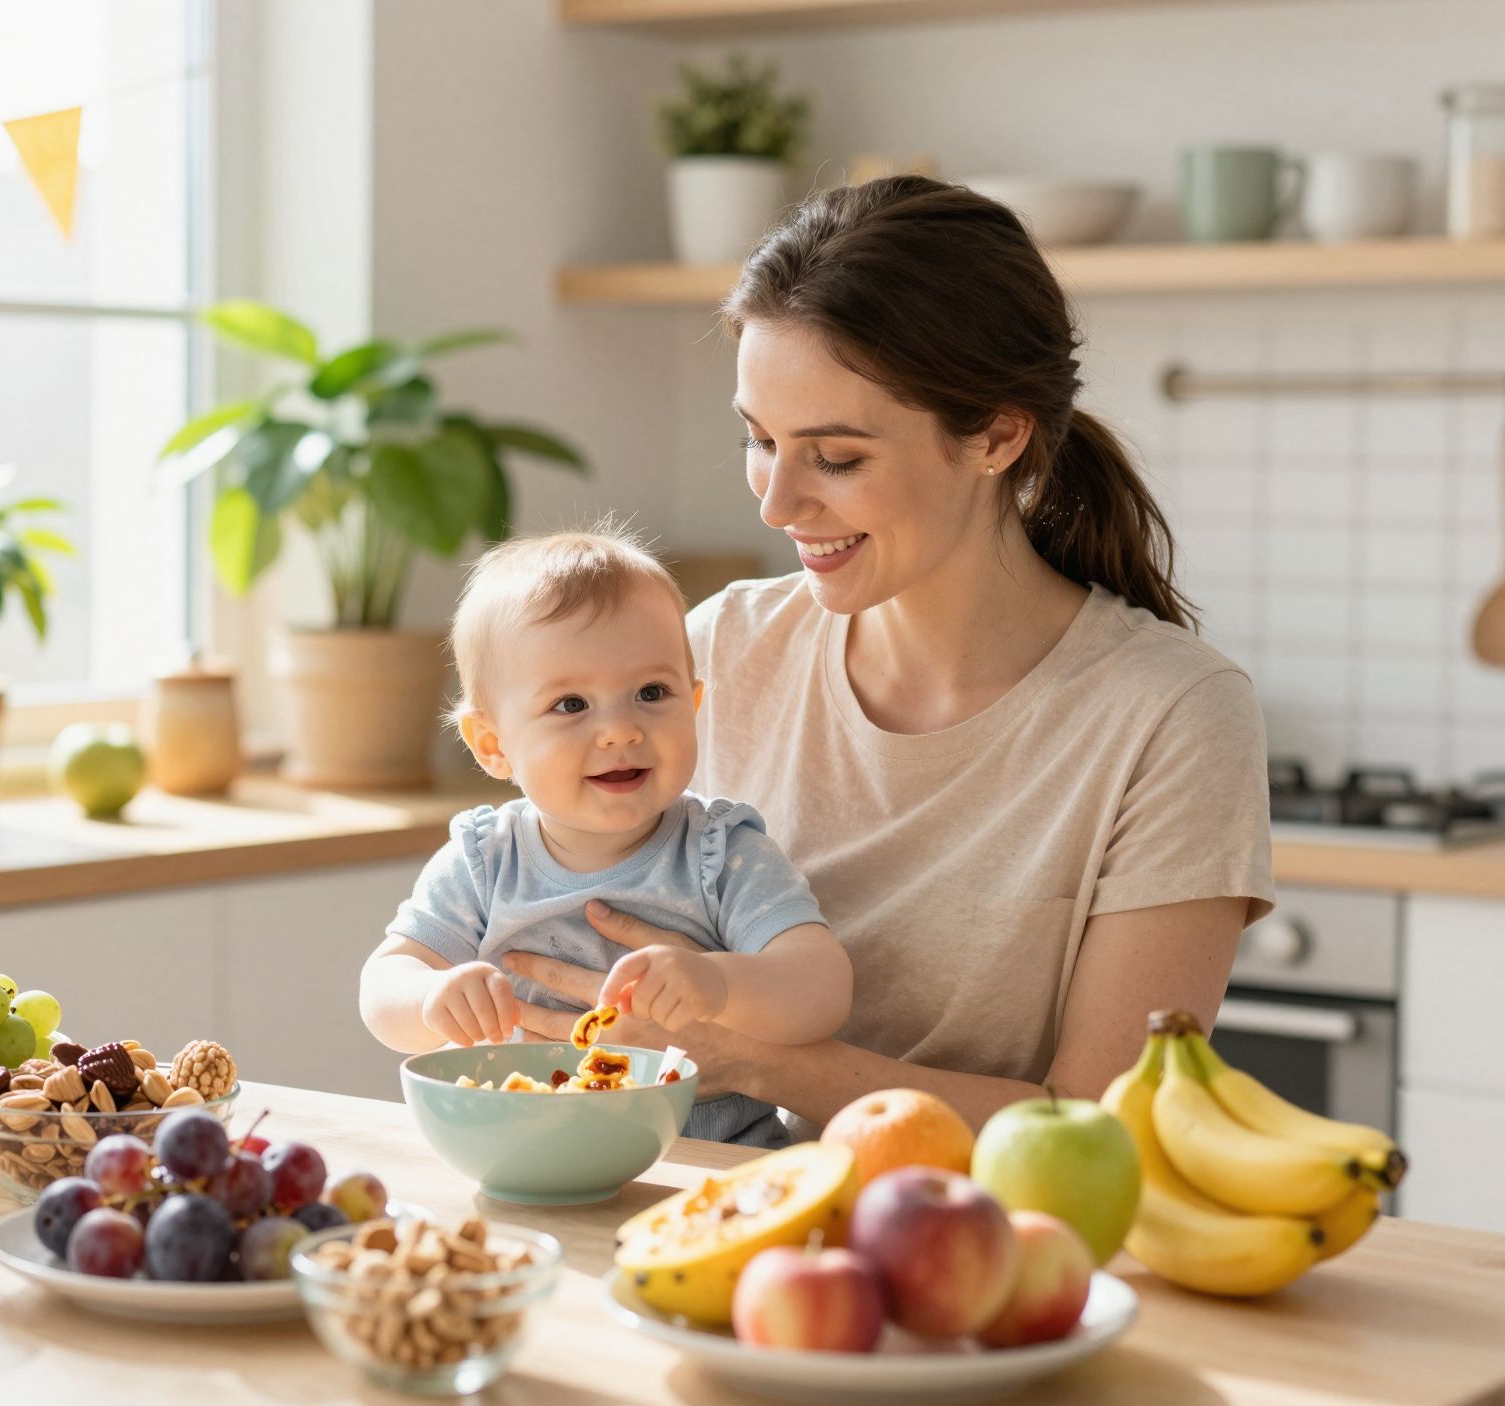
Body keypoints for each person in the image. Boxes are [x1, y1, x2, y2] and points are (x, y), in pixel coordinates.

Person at [498, 176, 1275, 1139]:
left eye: (836, 458)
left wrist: (758, 1060)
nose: (777, 503)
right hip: (713, 1223)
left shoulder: (1171, 717)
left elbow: (1108, 1130)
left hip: (1005, 1256)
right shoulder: (719, 651)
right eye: (759, 439)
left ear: (995, 434)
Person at [358, 528, 853, 1147]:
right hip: (525, 1152)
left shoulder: (722, 851)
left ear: (694, 704)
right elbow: (383, 986)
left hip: (705, 1160)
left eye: (651, 693)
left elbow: (820, 986)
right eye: (571, 705)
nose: (620, 730)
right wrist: (431, 996)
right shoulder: (484, 859)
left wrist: (721, 984)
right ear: (493, 746)